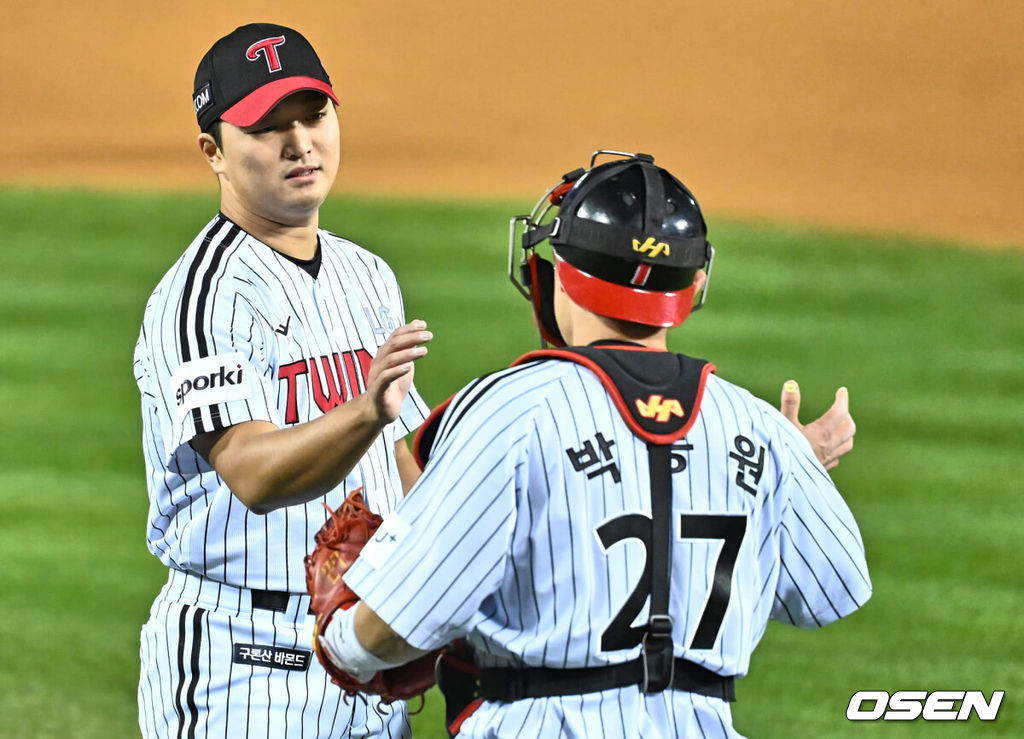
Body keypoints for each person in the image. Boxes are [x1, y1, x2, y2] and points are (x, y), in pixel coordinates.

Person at [316, 152, 871, 737]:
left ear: (556, 272)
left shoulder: (510, 409)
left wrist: (340, 644)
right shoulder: (760, 429)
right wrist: (789, 466)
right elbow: (831, 590)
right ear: (694, 284)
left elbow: (392, 628)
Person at [132, 23, 432, 738]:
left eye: (314, 116)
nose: (300, 143)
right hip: (244, 664)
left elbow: (406, 454)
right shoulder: (204, 298)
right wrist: (364, 412)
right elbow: (251, 471)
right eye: (269, 127)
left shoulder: (367, 274)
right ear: (214, 151)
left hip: (364, 646)